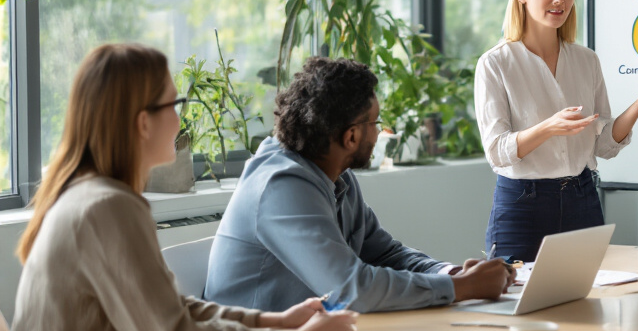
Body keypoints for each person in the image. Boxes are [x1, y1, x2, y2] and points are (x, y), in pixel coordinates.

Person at [4, 43, 363, 331]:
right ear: (142, 122)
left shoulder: (93, 196)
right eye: (175, 104)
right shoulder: (106, 209)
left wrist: (278, 323)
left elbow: (174, 311)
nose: (181, 117)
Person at [205, 56, 514, 313]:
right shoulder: (280, 186)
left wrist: (450, 273)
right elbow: (352, 289)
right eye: (376, 123)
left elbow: (384, 253)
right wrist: (463, 288)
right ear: (350, 137)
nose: (381, 132)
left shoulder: (337, 176)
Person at [475, 0, 638, 263]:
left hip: (582, 199)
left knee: (588, 304)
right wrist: (549, 128)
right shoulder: (496, 64)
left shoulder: (586, 61)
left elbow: (602, 146)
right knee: (516, 307)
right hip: (523, 206)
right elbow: (497, 150)